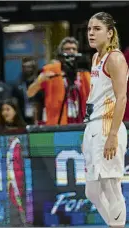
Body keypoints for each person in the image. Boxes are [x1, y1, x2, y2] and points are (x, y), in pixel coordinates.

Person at [83, 12, 128, 227]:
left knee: (111, 187)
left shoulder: (116, 58)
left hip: (107, 125)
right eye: (89, 29)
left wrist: (112, 135)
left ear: (110, 33)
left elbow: (122, 98)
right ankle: (114, 224)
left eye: (97, 29)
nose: (91, 33)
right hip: (93, 124)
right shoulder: (95, 58)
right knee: (91, 191)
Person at [27, 37, 91, 125]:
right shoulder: (50, 70)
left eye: (74, 49)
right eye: (67, 49)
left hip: (81, 124)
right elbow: (30, 93)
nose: (71, 51)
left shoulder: (83, 73)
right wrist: (39, 81)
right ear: (61, 53)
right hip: (57, 124)